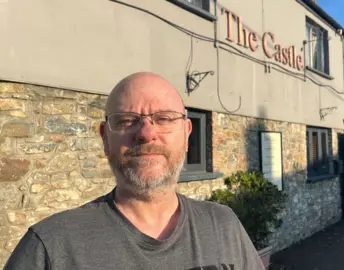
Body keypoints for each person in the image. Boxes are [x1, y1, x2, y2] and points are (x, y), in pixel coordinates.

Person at [4, 72, 264, 270]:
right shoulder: (51, 246)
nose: (146, 133)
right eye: (127, 120)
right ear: (105, 139)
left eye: (164, 119)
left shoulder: (223, 225)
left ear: (186, 135)